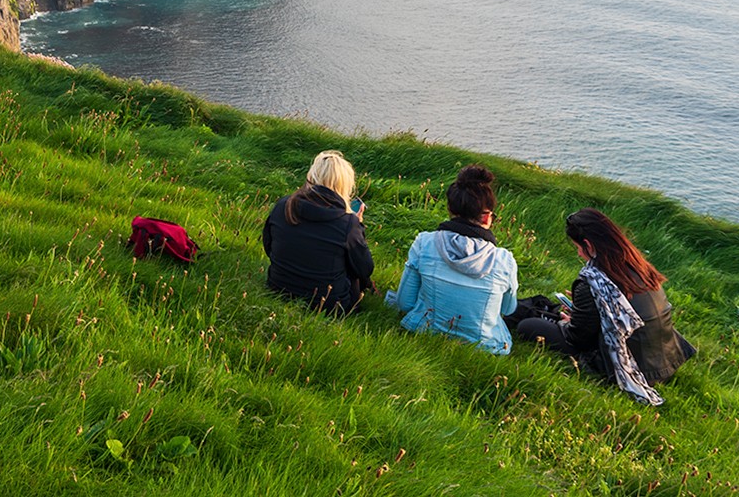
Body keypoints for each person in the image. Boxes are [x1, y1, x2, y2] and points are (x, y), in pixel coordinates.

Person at [515, 207, 695, 405]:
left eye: (577, 247)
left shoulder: (593, 281)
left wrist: (571, 320)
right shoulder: (639, 267)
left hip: (631, 365)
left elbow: (579, 338)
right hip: (666, 361)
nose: (578, 253)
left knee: (529, 325)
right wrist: (586, 309)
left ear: (589, 246)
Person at [386, 166, 520, 353]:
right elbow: (507, 309)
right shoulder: (504, 259)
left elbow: (404, 303)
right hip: (486, 346)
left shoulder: (424, 242)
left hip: (424, 331)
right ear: (488, 216)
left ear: (450, 208)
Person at [263, 150, 375, 314]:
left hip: (278, 289)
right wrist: (358, 229)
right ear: (344, 185)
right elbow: (364, 269)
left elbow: (269, 246)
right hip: (329, 306)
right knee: (352, 264)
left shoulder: (283, 205)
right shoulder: (348, 223)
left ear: (311, 177)